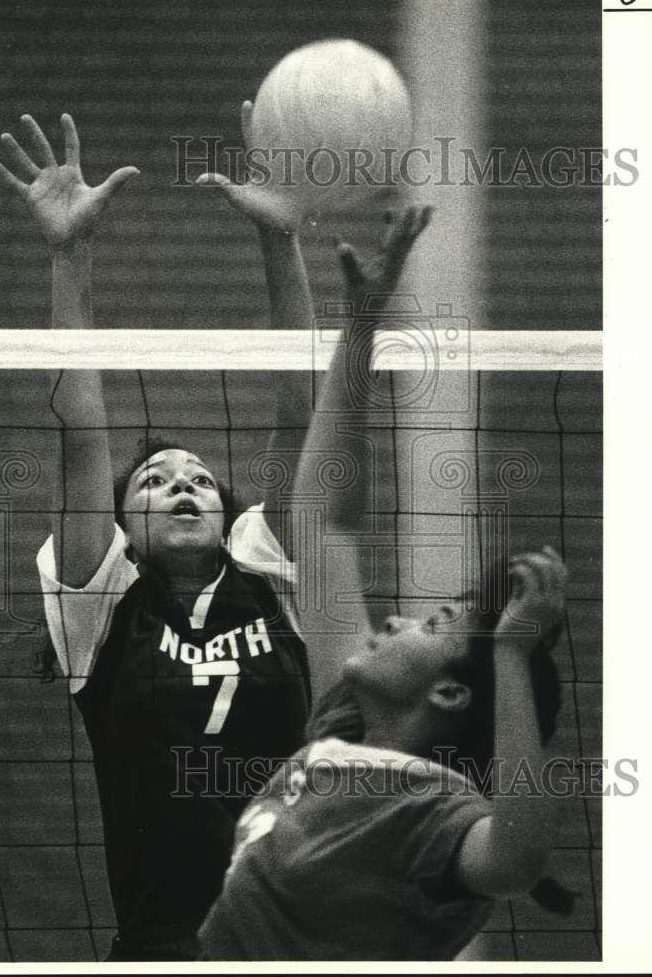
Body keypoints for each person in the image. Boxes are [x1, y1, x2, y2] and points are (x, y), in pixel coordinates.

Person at [198, 205, 570, 961]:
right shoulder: (340, 727)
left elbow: (518, 860)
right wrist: (363, 324)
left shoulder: (437, 813)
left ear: (450, 695)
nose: (398, 617)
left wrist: (509, 653)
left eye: (431, 628)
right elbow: (323, 519)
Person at [0, 108, 317, 962]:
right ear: (121, 527)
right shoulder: (101, 606)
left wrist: (279, 242)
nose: (180, 483)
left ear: (227, 516)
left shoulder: (265, 573)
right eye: (155, 479)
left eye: (200, 478)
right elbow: (82, 431)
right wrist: (68, 254)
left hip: (295, 943)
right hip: (165, 947)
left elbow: (298, 413)